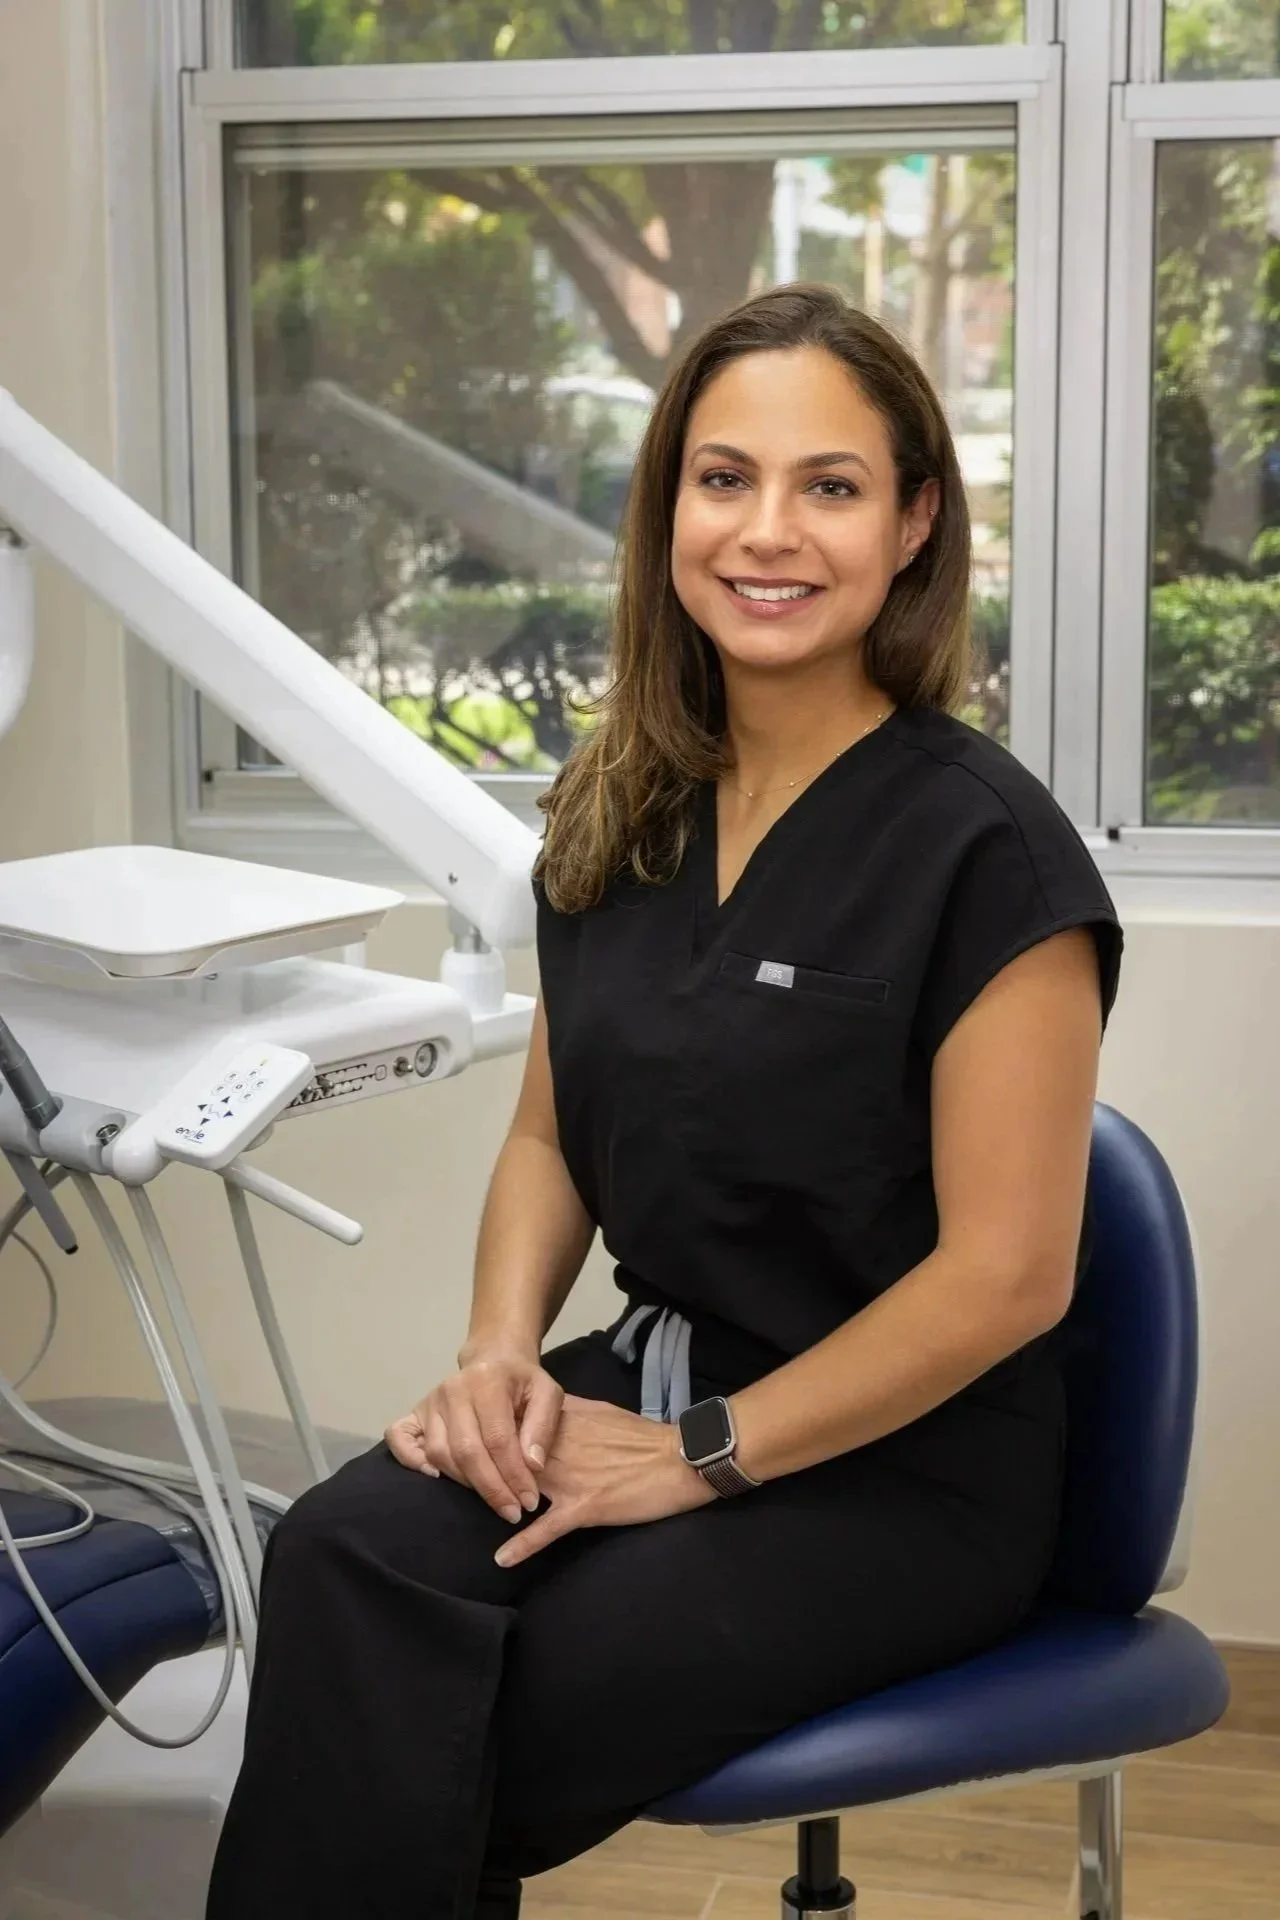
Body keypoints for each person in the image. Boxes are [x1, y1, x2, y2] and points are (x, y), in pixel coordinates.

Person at [205, 284, 1122, 1920]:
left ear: (913, 524)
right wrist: (496, 1356)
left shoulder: (989, 854)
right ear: (668, 509)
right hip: (650, 1386)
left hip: (900, 1476)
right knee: (341, 1561)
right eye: (724, 479)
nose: (769, 532)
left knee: (456, 1711)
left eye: (830, 486)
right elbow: (556, 1130)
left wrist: (698, 1456)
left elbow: (1010, 1278)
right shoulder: (619, 806)